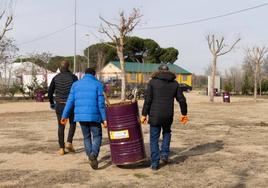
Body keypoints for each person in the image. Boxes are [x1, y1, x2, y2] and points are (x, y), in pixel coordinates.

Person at [140, 64, 188, 170]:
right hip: (168, 115)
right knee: (167, 133)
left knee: (154, 138)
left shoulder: (152, 82)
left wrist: (144, 114)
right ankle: (165, 154)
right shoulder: (175, 84)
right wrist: (184, 113)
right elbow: (182, 100)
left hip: (155, 115)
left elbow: (148, 100)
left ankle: (155, 162)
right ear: (168, 71)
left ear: (159, 71)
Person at [61, 67, 107, 170]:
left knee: (86, 137)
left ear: (84, 74)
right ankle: (93, 155)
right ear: (94, 75)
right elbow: (101, 104)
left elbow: (70, 101)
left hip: (81, 116)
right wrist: (104, 119)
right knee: (97, 136)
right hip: (94, 116)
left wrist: (64, 116)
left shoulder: (76, 85)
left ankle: (90, 155)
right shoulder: (98, 84)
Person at [48, 60, 78, 155]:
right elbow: (77, 91)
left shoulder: (56, 78)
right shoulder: (73, 77)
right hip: (71, 104)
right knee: (72, 123)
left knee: (61, 126)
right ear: (68, 67)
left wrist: (52, 102)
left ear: (60, 67)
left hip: (59, 104)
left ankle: (61, 148)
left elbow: (50, 92)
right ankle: (69, 142)